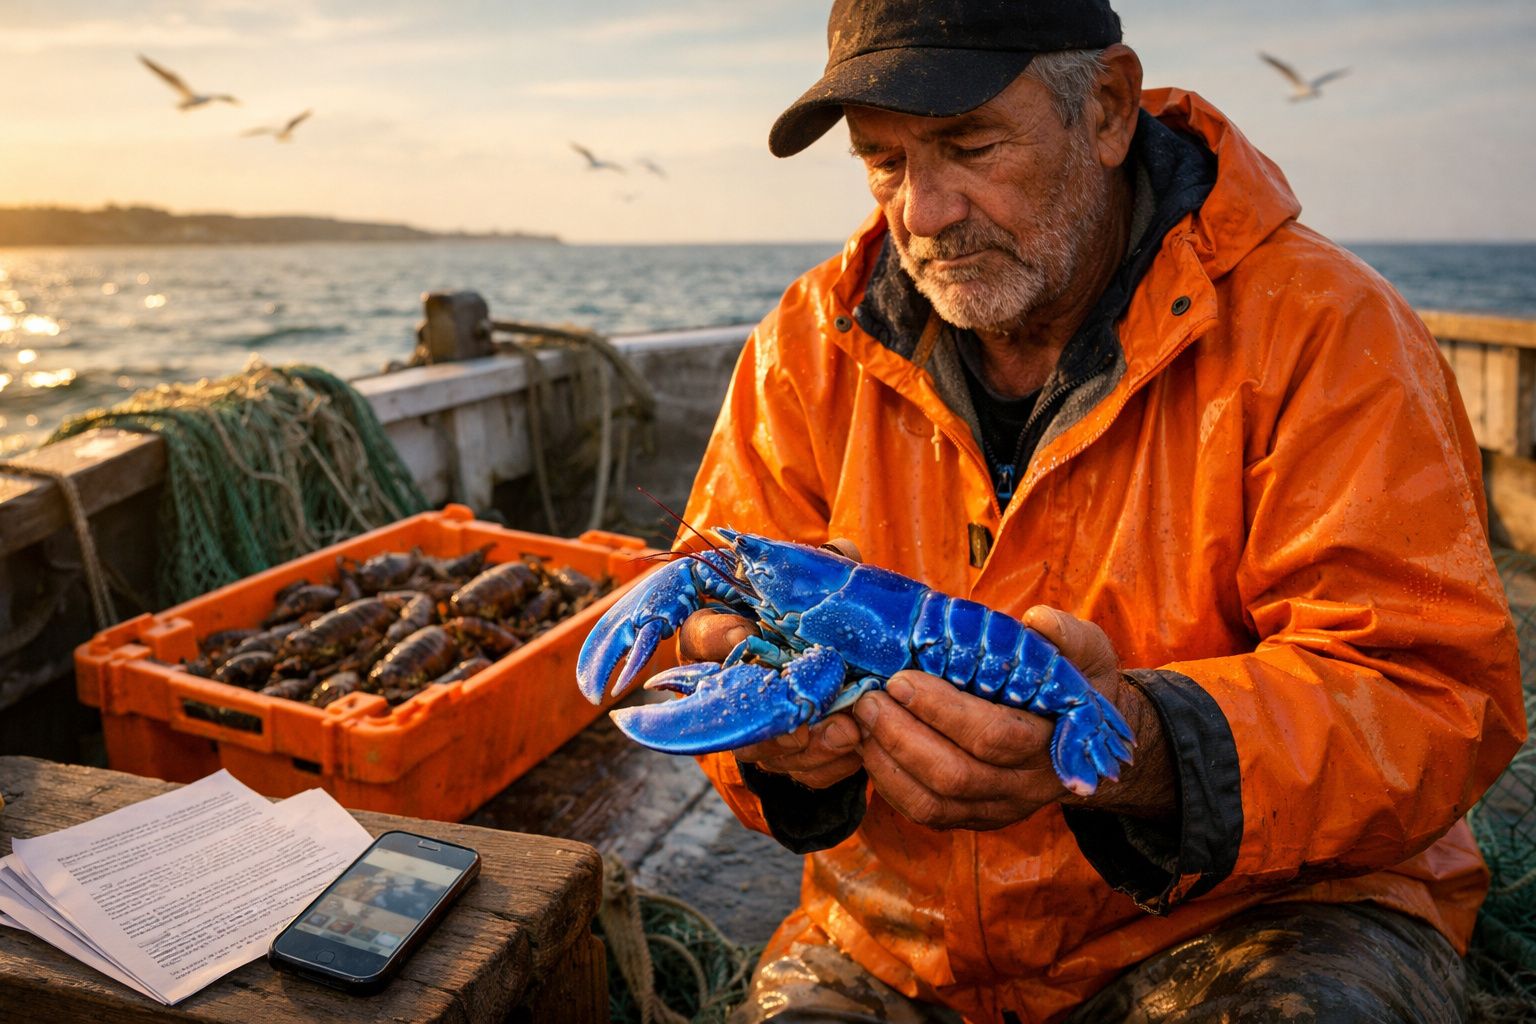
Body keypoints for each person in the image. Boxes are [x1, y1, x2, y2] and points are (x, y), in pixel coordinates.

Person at [663, 1, 1528, 1021]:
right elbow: (701, 625)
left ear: (1110, 107)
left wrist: (1146, 745)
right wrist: (770, 743)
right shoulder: (803, 347)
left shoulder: (1328, 331)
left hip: (1254, 918)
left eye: (970, 145)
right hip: (891, 943)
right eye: (884, 162)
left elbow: (1431, 698)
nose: (923, 211)